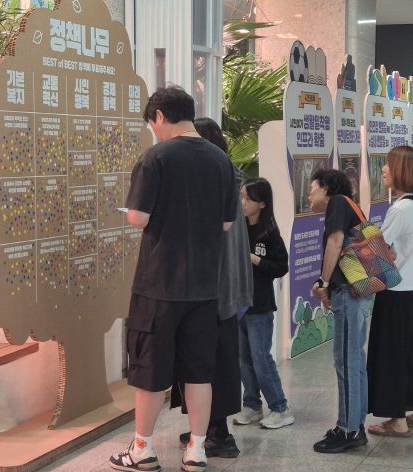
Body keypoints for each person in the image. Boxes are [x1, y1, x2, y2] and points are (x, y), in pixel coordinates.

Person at [109, 87, 237, 472]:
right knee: (199, 372)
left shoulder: (156, 157)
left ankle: (142, 450)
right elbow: (227, 223)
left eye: (153, 124)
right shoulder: (221, 160)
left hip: (159, 285)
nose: (154, 131)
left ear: (160, 116)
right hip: (204, 286)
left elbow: (139, 218)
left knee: (149, 372)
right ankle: (197, 450)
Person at [171, 117, 254, 458]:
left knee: (208, 363)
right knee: (216, 360)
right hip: (227, 288)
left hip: (211, 289)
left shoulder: (214, 182)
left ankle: (216, 432)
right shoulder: (228, 176)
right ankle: (206, 429)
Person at [366, 145, 413, 437]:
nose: (383, 169)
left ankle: (397, 419)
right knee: (407, 352)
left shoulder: (400, 208)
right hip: (412, 288)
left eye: (388, 164)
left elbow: (375, 249)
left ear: (402, 171)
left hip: (394, 292)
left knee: (390, 354)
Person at [308, 168, 371, 453]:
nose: (309, 195)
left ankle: (347, 430)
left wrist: (323, 282)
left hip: (347, 291)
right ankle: (355, 424)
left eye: (312, 189)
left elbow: (335, 242)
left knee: (346, 361)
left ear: (326, 188)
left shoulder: (337, 203)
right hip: (356, 291)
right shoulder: (349, 204)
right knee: (354, 360)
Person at [233, 177, 294, 429]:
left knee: (261, 358)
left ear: (262, 203)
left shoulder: (270, 233)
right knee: (243, 359)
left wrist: (255, 260)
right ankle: (252, 405)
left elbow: (281, 267)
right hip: (238, 303)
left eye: (247, 198)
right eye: (241, 196)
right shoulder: (237, 228)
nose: (242, 202)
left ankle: (280, 407)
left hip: (260, 305)